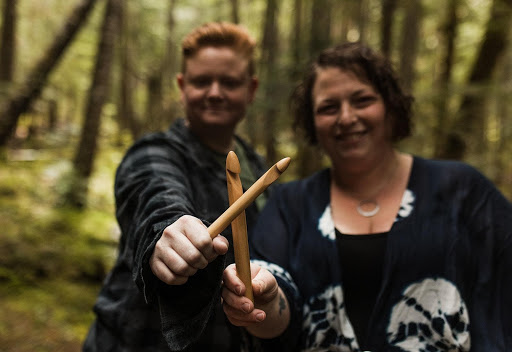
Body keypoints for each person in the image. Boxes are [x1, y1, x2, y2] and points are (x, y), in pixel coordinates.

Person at [221, 42, 512, 351]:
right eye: (329, 107)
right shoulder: (288, 204)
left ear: (390, 106)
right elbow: (272, 309)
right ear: (312, 120)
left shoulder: (463, 190)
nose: (346, 118)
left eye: (362, 100)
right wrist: (263, 296)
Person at [83, 22, 271, 352]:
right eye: (201, 81)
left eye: (229, 82)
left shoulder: (258, 169)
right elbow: (153, 195)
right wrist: (166, 231)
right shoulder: (152, 153)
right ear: (182, 87)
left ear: (251, 89)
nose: (215, 92)